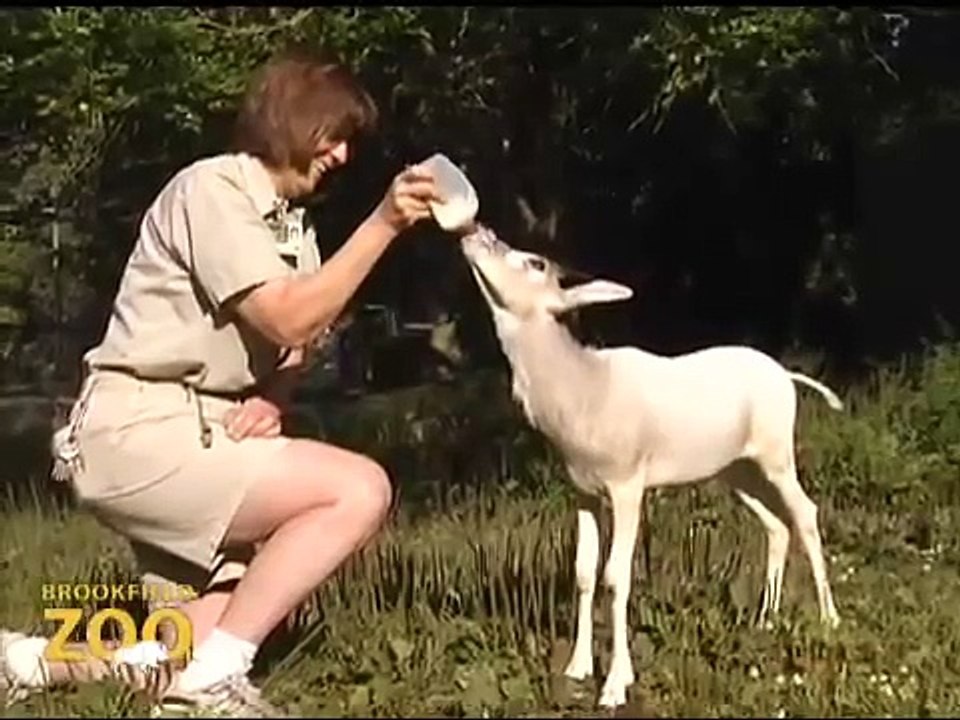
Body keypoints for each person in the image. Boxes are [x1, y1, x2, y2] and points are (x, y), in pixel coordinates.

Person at [0, 47, 444, 716]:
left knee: (199, 638)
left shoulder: (291, 224)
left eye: (350, 143)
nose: (343, 156)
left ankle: (28, 663)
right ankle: (212, 685)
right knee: (356, 489)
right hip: (139, 429)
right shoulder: (211, 192)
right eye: (334, 135)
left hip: (211, 430)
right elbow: (288, 316)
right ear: (290, 119)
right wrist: (384, 224)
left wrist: (272, 398)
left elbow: (297, 341)